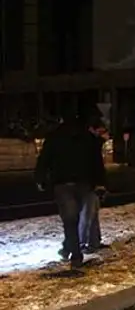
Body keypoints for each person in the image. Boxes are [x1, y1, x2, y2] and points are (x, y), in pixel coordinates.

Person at [35, 114, 107, 267]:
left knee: (70, 221)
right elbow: (97, 161)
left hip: (62, 183)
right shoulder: (87, 138)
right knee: (80, 218)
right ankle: (70, 249)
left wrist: (40, 179)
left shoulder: (54, 137)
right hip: (84, 182)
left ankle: (74, 253)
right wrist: (100, 182)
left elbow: (44, 160)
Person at [79, 120, 110, 252]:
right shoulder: (91, 144)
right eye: (102, 131)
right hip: (89, 184)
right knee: (87, 214)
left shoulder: (91, 142)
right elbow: (96, 166)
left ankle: (94, 242)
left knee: (92, 214)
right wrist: (99, 183)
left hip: (90, 183)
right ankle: (82, 243)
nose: (106, 135)